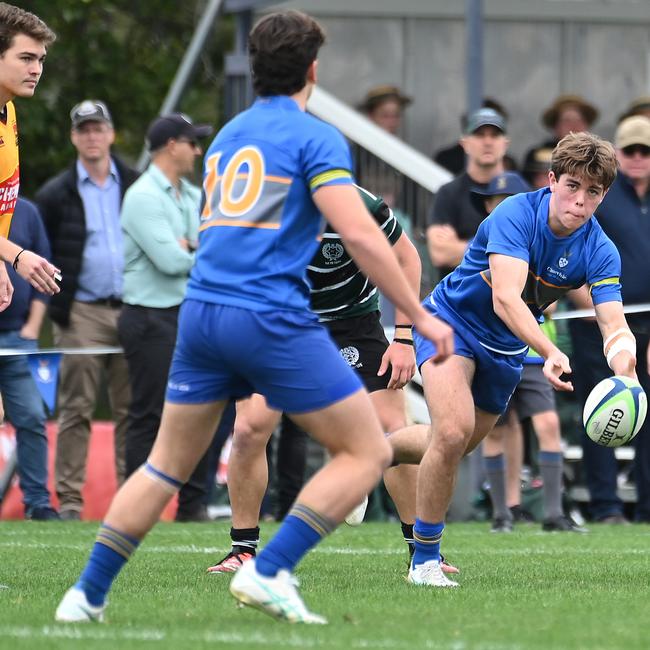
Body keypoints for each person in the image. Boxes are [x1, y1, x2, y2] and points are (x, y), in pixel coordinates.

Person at [55, 10, 454, 625]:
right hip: (267, 314)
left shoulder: (228, 136)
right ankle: (269, 571)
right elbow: (358, 232)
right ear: (312, 72)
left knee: (165, 466)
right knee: (368, 452)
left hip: (202, 314)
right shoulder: (314, 137)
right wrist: (420, 321)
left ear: (255, 70)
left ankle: (84, 596)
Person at [388, 131, 637, 586]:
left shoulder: (601, 250)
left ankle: (371, 453)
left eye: (594, 192)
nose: (580, 201)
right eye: (573, 186)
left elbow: (614, 324)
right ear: (552, 179)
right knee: (453, 429)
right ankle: (424, 559)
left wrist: (627, 371)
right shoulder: (515, 213)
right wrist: (550, 350)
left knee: (452, 443)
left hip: (506, 351)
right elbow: (505, 297)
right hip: (452, 325)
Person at [206, 185, 456, 575]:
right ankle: (243, 550)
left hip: (352, 323)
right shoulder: (253, 205)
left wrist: (404, 338)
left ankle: (422, 551)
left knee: (392, 426)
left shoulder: (360, 202)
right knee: (250, 427)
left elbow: (406, 258)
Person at [35, 100, 138, 520]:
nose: (92, 136)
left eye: (98, 128)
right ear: (74, 137)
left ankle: (132, 501)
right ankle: (72, 503)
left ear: (111, 133)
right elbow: (42, 252)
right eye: (84, 130)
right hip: (80, 311)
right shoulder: (55, 193)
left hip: (132, 307)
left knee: (133, 408)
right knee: (75, 407)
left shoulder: (135, 182)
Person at [471, 174, 586, 534]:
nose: (498, 203)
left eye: (506, 196)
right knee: (495, 432)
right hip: (491, 345)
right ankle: (501, 513)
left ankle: (553, 513)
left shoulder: (542, 239)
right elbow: (500, 294)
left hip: (534, 352)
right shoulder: (500, 233)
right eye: (493, 198)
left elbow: (547, 302)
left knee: (548, 423)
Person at [118, 112, 213, 522]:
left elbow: (202, 247)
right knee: (150, 413)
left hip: (184, 315)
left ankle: (192, 507)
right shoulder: (142, 196)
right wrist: (195, 248)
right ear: (171, 145)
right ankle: (138, 509)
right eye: (192, 142)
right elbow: (171, 260)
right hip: (149, 318)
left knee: (202, 409)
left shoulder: (190, 195)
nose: (198, 150)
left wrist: (191, 247)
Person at [567, 116, 650, 523]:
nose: (638, 159)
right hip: (593, 320)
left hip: (646, 326)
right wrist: (589, 305)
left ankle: (648, 506)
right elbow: (566, 250)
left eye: (645, 151)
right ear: (618, 154)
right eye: (630, 151)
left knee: (643, 411)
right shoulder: (601, 195)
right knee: (599, 411)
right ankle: (605, 506)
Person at [0, 197, 58, 520]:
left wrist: (32, 329)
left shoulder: (26, 211)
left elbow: (43, 270)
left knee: (33, 417)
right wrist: (15, 256)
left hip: (17, 340)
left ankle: (37, 502)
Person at [0, 4, 60, 304]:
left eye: (40, 60)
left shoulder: (8, 110)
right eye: (26, 58)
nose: (36, 69)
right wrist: (16, 255)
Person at [427, 107, 510, 279]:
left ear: (505, 144)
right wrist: (505, 249)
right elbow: (440, 254)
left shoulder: (519, 191)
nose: (487, 142)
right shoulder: (448, 193)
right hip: (458, 298)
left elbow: (533, 253)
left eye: (494, 135)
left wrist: (461, 246)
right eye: (480, 135)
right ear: (464, 143)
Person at [433, 98, 517, 176]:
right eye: (480, 133)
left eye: (495, 133)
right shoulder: (447, 159)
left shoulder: (508, 164)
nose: (488, 141)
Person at [522, 94, 598, 174]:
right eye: (567, 120)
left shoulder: (598, 155)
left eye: (579, 120)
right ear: (555, 126)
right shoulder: (538, 156)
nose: (574, 125)